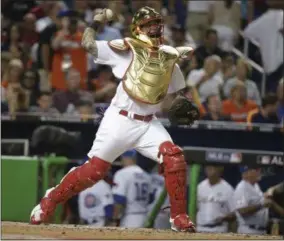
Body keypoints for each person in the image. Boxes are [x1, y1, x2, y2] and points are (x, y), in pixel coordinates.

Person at [30, 7, 198, 232]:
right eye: (149, 24)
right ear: (139, 28)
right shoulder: (126, 49)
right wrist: (96, 23)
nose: (155, 28)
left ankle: (178, 218)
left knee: (174, 157)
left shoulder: (170, 60)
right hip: (119, 119)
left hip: (148, 123)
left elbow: (171, 98)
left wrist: (180, 105)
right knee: (94, 172)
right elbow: (88, 45)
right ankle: (50, 200)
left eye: (157, 23)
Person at [233, 166, 284, 234]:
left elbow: (262, 201)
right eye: (256, 170)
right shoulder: (242, 188)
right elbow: (241, 211)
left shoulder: (255, 186)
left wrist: (269, 193)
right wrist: (261, 205)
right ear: (246, 173)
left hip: (261, 230)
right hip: (249, 231)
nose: (259, 172)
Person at [111, 150, 151, 228]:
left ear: (124, 157)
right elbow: (151, 198)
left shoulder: (122, 174)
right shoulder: (146, 175)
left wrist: (114, 220)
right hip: (145, 218)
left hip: (130, 219)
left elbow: (119, 200)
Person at [196, 165, 235, 233]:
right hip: (200, 229)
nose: (210, 169)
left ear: (220, 169)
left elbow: (234, 214)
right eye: (208, 167)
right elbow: (195, 210)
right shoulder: (200, 187)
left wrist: (224, 218)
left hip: (219, 230)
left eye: (213, 167)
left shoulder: (228, 188)